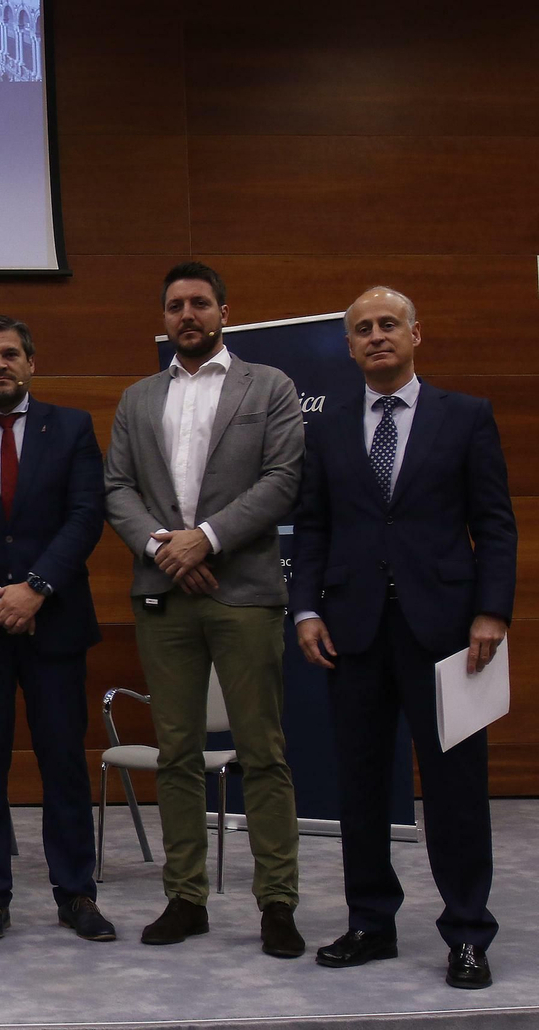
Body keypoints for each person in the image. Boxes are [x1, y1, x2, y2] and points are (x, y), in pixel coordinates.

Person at [292, 288, 516, 989]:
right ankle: (370, 923)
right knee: (360, 786)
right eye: (363, 329)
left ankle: (468, 932)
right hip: (353, 629)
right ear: (350, 346)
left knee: (455, 786)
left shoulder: (467, 416)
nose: (377, 336)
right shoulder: (327, 429)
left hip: (449, 631)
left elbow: (496, 524)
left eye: (389, 324)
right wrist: (305, 610)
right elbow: (314, 526)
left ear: (417, 333)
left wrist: (492, 613)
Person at [103, 261, 305, 958]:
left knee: (262, 752)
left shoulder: (269, 387)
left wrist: (207, 540)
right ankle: (185, 897)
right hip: (165, 595)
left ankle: (277, 903)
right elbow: (118, 488)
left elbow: (283, 480)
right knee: (177, 753)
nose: (186, 314)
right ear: (163, 318)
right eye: (174, 306)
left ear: (224, 311)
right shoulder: (137, 399)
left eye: (199, 303)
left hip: (242, 591)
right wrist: (167, 548)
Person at [0, 316, 114, 944]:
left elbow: (86, 515)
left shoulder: (69, 427)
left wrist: (36, 588)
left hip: (56, 624)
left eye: (10, 353)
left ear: (31, 362)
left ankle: (76, 893)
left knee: (63, 762)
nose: (0, 364)